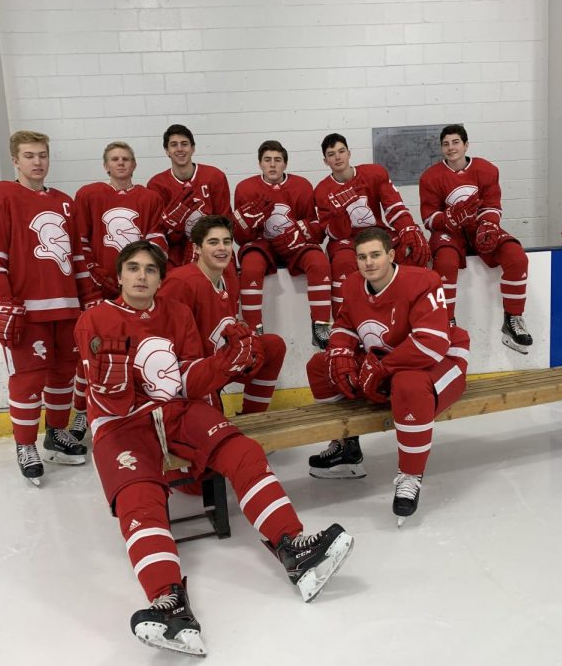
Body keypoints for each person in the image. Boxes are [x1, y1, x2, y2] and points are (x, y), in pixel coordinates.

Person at [74, 240, 353, 655]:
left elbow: (188, 379)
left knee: (244, 452)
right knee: (139, 497)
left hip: (178, 410)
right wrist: (114, 382)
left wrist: (224, 363)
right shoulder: (94, 319)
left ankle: (294, 550)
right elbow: (110, 397)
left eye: (150, 270)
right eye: (133, 268)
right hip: (121, 424)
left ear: (159, 277)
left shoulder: (176, 313)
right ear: (119, 276)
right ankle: (169, 601)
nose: (141, 276)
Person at [305, 228, 470, 525]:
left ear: (391, 255)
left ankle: (410, 475)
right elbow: (345, 325)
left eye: (375, 255)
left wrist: (381, 368)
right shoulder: (355, 284)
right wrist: (340, 352)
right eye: (362, 257)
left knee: (407, 384)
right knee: (321, 365)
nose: (369, 263)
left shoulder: (423, 281)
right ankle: (346, 449)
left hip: (443, 359)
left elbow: (432, 343)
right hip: (389, 358)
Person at [0, 130, 99, 485]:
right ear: (15, 160)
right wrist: (3, 302)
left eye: (42, 155)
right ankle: (24, 445)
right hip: (27, 311)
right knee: (28, 379)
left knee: (62, 376)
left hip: (67, 309)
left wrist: (89, 298)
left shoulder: (64, 202)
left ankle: (55, 433)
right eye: (29, 156)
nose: (37, 162)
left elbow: (76, 257)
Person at [70, 141, 167, 440]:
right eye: (115, 159)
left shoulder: (149, 197)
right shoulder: (89, 195)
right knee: (90, 353)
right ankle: (81, 411)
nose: (121, 163)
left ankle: (132, 407)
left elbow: (156, 242)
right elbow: (80, 240)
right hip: (100, 288)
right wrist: (93, 276)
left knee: (132, 348)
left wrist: (145, 274)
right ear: (106, 165)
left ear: (134, 164)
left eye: (126, 159)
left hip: (134, 286)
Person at [418, 124, 533, 353]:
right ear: (441, 148)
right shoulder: (431, 177)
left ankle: (513, 319)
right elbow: (429, 219)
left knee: (516, 258)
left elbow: (492, 205)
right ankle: (447, 321)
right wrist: (448, 218)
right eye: (446, 144)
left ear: (466, 144)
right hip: (449, 232)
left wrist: (488, 224)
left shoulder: (486, 170)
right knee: (445, 262)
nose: (451, 148)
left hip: (479, 227)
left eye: (455, 142)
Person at [158, 215, 286, 417]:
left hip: (220, 363)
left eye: (227, 242)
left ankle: (254, 419)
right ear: (197, 248)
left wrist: (245, 342)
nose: (222, 248)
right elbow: (163, 342)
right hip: (190, 374)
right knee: (214, 435)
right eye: (213, 242)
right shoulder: (181, 282)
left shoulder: (228, 276)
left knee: (272, 346)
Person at [314, 132, 430, 319]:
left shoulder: (373, 173)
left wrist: (408, 227)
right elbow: (334, 233)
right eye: (331, 154)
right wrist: (339, 214)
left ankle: (415, 314)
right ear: (325, 161)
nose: (337, 157)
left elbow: (393, 206)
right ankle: (344, 323)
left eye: (341, 151)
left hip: (376, 232)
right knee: (343, 261)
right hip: (346, 238)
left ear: (349, 153)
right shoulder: (322, 190)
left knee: (413, 247)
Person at [233, 140, 332, 348]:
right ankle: (254, 330)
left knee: (319, 262)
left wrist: (300, 232)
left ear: (285, 164)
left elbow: (316, 226)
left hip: (294, 245)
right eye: (267, 160)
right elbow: (240, 238)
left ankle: (320, 326)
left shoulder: (302, 185)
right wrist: (247, 224)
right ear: (260, 163)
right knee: (250, 267)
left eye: (277, 160)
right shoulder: (245, 188)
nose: (272, 165)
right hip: (262, 245)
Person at [146, 124, 232, 271]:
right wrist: (174, 227)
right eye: (174, 145)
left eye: (184, 144)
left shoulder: (214, 176)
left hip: (213, 246)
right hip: (175, 251)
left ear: (193, 148)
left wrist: (206, 246)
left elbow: (226, 222)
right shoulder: (157, 184)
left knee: (228, 282)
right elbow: (159, 233)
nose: (179, 149)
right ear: (167, 151)